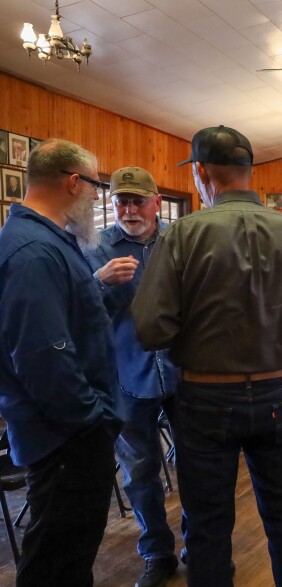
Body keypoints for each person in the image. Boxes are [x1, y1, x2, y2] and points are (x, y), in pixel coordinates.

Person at [131, 125, 282, 586]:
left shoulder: (183, 233)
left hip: (205, 398)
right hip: (280, 393)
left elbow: (149, 328)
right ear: (248, 172)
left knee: (207, 526)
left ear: (202, 173)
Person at [0, 139, 122, 586]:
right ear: (74, 182)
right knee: (56, 563)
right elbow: (43, 358)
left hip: (70, 433)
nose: (96, 197)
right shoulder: (32, 251)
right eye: (95, 186)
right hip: (66, 438)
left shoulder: (48, 241)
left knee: (69, 557)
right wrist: (95, 421)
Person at [84, 166, 181, 587]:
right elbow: (74, 309)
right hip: (126, 376)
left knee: (197, 465)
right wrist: (97, 283)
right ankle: (157, 553)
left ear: (157, 201)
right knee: (140, 472)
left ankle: (200, 542)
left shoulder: (180, 241)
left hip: (184, 372)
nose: (128, 209)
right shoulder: (95, 246)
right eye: (121, 200)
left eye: (137, 200)